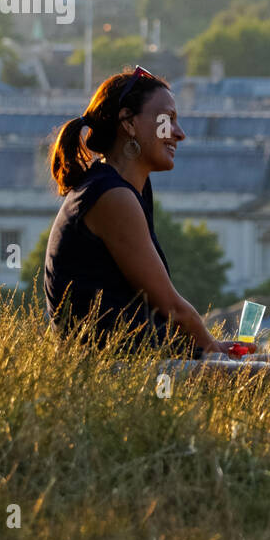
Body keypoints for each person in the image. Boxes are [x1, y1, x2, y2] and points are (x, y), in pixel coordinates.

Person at [43, 66, 241, 357]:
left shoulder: (125, 188)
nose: (180, 134)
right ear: (129, 123)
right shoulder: (112, 196)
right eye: (167, 120)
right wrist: (213, 351)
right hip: (118, 368)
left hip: (145, 356)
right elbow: (171, 307)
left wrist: (212, 349)